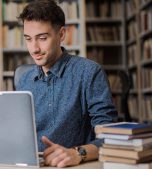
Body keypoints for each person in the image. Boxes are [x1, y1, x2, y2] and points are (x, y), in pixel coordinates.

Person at [16, 0, 118, 167]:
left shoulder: (89, 73)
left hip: (74, 165)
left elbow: (109, 137)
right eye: (28, 39)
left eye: (42, 38)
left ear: (61, 34)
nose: (34, 48)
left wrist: (77, 153)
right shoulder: (24, 80)